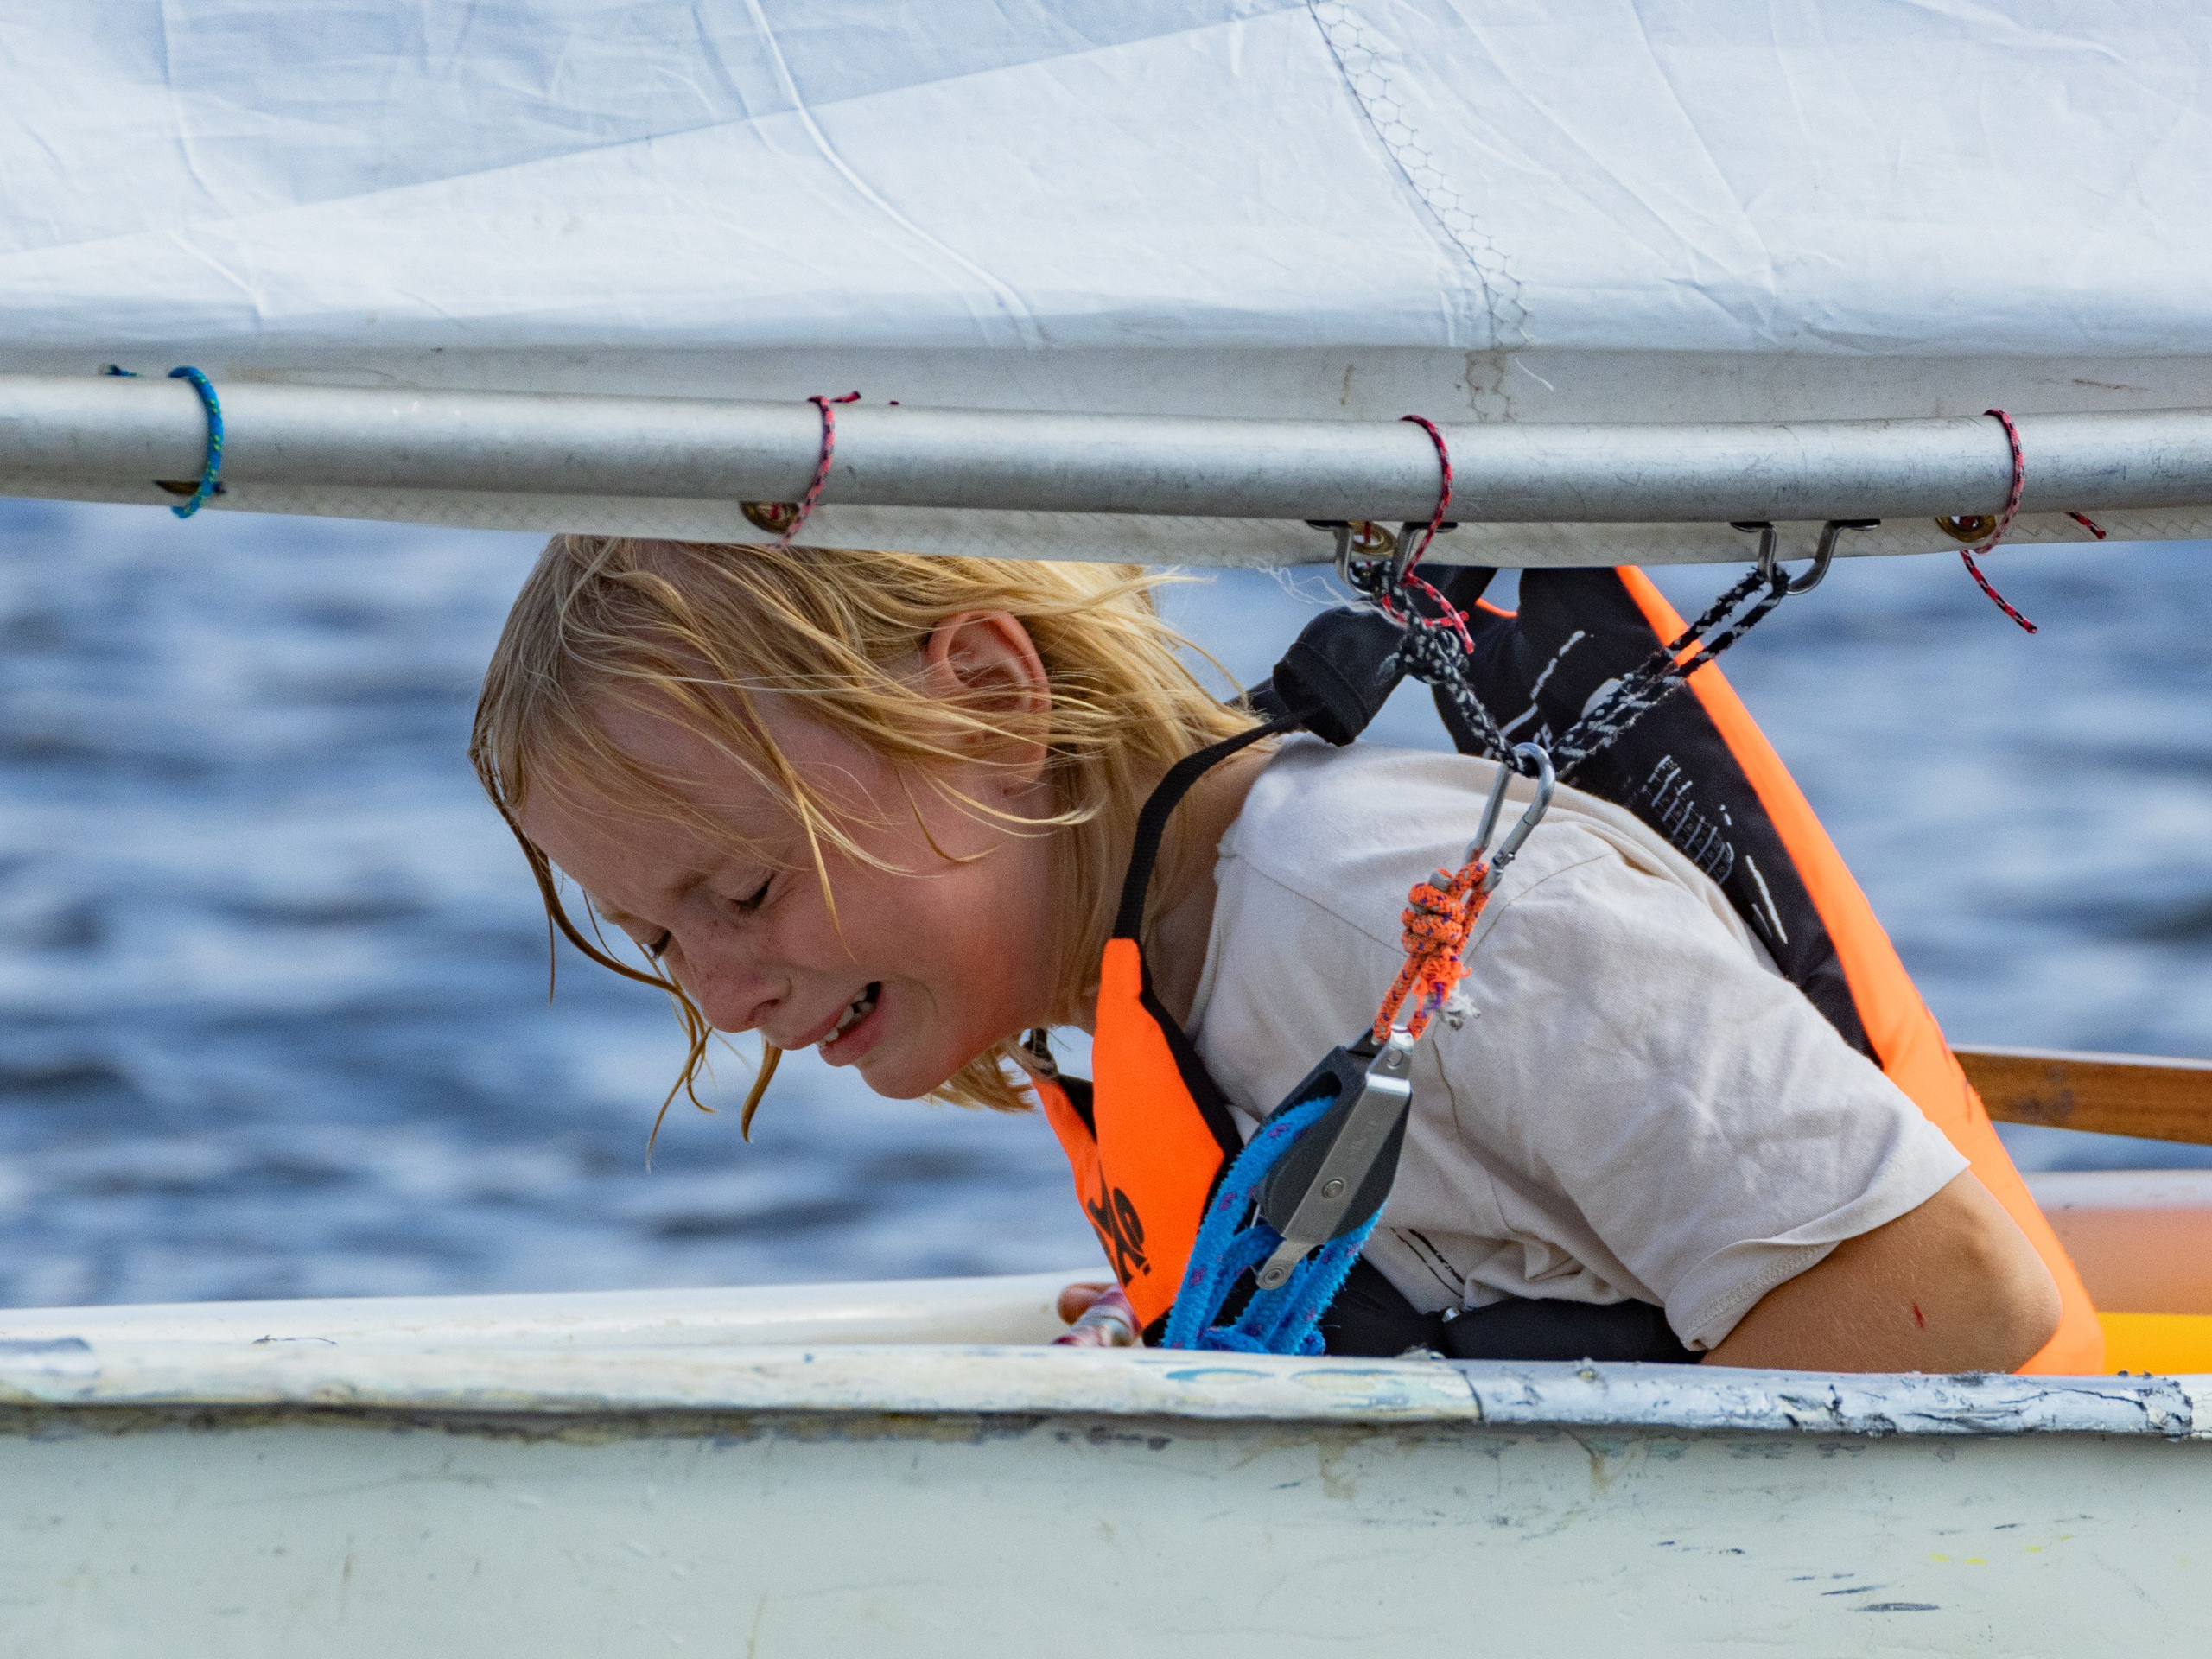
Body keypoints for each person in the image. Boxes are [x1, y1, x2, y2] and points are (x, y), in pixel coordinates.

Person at [472, 535, 2063, 1372]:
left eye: (742, 895)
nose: (723, 998)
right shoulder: (1171, 963)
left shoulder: (1369, 902)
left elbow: (1950, 1290)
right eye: (656, 941)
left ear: (984, 698)